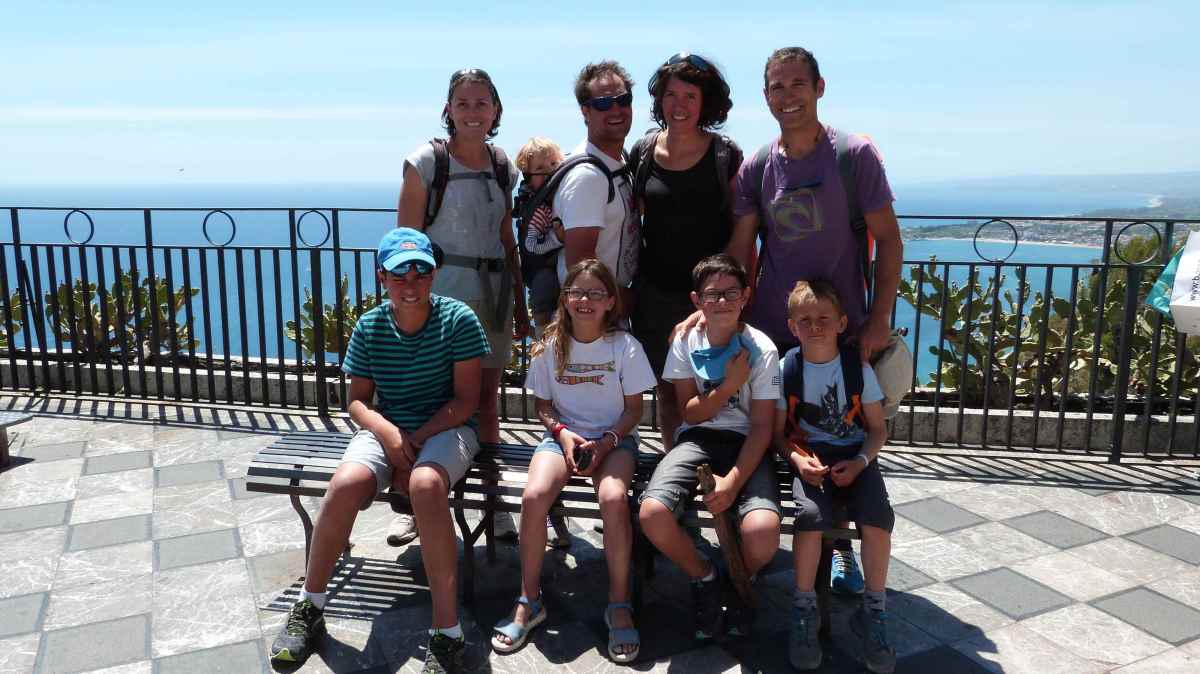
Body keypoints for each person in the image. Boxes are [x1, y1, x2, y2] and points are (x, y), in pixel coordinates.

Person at [270, 228, 489, 674]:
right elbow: (356, 401)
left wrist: (416, 440)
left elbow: (468, 401)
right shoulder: (370, 326)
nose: (411, 283)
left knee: (426, 484)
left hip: (448, 427)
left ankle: (447, 633)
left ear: (433, 275)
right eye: (399, 274)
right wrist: (390, 435)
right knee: (345, 483)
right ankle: (310, 606)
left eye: (420, 272)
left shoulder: (459, 319)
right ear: (382, 278)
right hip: (389, 426)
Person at [725, 46, 903, 595]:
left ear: (819, 87)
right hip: (775, 335)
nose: (788, 96)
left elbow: (890, 240)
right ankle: (770, 533)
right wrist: (720, 313)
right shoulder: (758, 166)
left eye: (797, 84)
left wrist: (879, 317)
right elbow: (740, 251)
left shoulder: (853, 156)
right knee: (777, 438)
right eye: (777, 87)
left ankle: (840, 547)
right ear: (765, 97)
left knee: (840, 437)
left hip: (838, 332)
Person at [491, 259, 655, 663]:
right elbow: (543, 406)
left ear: (610, 302)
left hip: (614, 440)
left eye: (595, 293)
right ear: (564, 299)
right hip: (562, 438)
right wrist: (564, 435)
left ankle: (619, 602)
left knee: (614, 498)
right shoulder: (550, 345)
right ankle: (529, 599)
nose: (585, 300)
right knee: (533, 497)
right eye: (577, 292)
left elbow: (634, 410)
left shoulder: (626, 347)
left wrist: (606, 442)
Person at [392, 67, 525, 546]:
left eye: (482, 103)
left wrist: (520, 303)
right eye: (463, 103)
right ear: (448, 110)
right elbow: (405, 243)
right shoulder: (426, 162)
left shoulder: (504, 166)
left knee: (487, 404)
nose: (473, 112)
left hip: (493, 298)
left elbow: (507, 239)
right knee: (427, 401)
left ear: (496, 110)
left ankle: (493, 504)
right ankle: (412, 503)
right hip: (440, 298)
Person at [638, 254, 781, 640]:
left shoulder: (762, 349)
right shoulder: (686, 341)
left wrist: (732, 483)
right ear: (696, 300)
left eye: (731, 293)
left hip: (747, 443)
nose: (721, 302)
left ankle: (739, 577)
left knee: (763, 534)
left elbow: (762, 426)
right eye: (712, 294)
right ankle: (705, 575)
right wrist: (730, 385)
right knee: (652, 513)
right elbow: (689, 412)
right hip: (698, 437)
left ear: (746, 296)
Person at [774, 279, 894, 673]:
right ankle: (804, 608)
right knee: (810, 517)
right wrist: (798, 461)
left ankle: (874, 609)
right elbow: (778, 434)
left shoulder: (857, 369)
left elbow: (877, 430)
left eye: (824, 318)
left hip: (855, 455)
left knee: (878, 518)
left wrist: (860, 462)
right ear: (792, 327)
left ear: (841, 323)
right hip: (810, 457)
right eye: (805, 320)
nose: (815, 326)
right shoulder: (786, 369)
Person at [629, 52, 743, 448]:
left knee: (716, 387)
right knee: (668, 391)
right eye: (671, 95)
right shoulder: (643, 151)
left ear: (705, 102)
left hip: (712, 296)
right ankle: (673, 463)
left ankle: (712, 462)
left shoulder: (725, 155)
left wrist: (729, 295)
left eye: (690, 96)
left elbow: (742, 228)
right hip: (656, 294)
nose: (679, 105)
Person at [555, 60, 639, 314]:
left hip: (609, 311)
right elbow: (580, 266)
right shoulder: (588, 177)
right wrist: (630, 303)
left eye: (623, 100)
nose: (616, 109)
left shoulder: (619, 161)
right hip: (593, 317)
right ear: (585, 111)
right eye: (603, 103)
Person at [514, 137, 567, 336]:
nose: (548, 172)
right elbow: (531, 244)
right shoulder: (540, 210)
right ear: (528, 176)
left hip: (555, 268)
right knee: (544, 292)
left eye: (553, 164)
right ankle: (542, 332)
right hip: (542, 271)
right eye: (539, 168)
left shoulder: (557, 199)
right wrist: (557, 238)